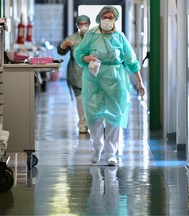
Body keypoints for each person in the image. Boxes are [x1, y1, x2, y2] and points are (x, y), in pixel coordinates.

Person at [74, 6, 145, 166]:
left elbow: (131, 61)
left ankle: (111, 152)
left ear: (115, 19)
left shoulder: (119, 37)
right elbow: (78, 54)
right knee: (93, 115)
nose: (108, 20)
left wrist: (139, 82)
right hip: (94, 80)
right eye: (105, 16)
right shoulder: (91, 35)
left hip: (116, 81)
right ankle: (97, 147)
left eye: (111, 17)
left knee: (114, 116)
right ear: (100, 18)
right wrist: (87, 59)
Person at [57, 15, 91, 134]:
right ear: (77, 25)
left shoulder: (94, 37)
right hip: (76, 73)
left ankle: (95, 123)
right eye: (81, 24)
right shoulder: (72, 38)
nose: (83, 26)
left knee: (93, 100)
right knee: (80, 99)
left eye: (86, 23)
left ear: (89, 24)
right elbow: (61, 51)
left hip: (92, 72)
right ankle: (83, 124)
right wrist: (64, 45)